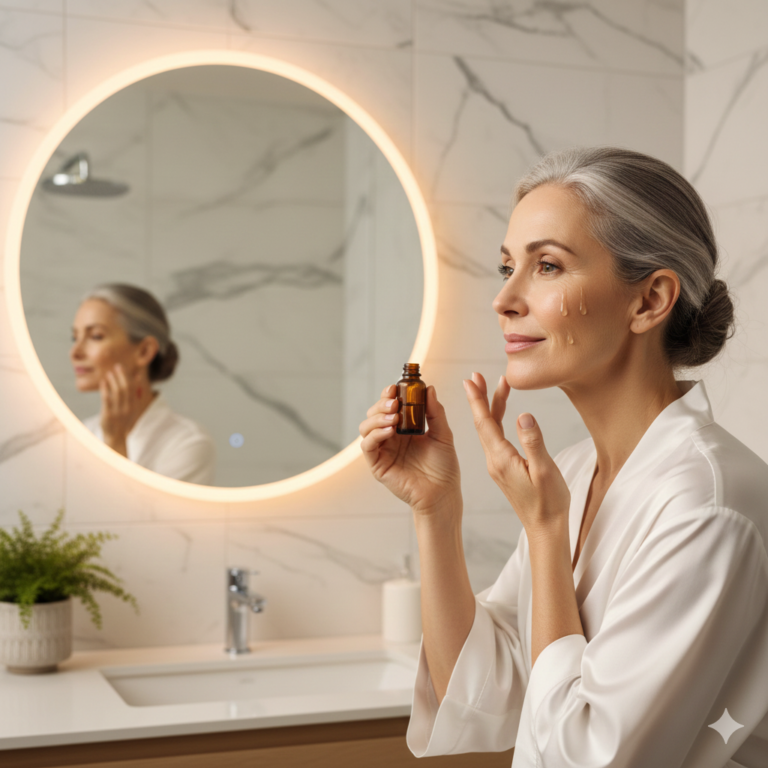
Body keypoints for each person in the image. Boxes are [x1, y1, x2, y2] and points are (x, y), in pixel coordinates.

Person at [359, 148, 768, 767]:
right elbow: (484, 691)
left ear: (650, 300)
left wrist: (547, 534)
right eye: (507, 267)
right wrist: (436, 510)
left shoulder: (706, 505)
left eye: (547, 266)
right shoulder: (574, 473)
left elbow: (583, 757)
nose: (505, 300)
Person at [70, 283, 216, 485]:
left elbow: (123, 515)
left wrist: (115, 441)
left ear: (145, 351)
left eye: (95, 336)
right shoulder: (82, 433)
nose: (75, 353)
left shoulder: (188, 443)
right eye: (74, 337)